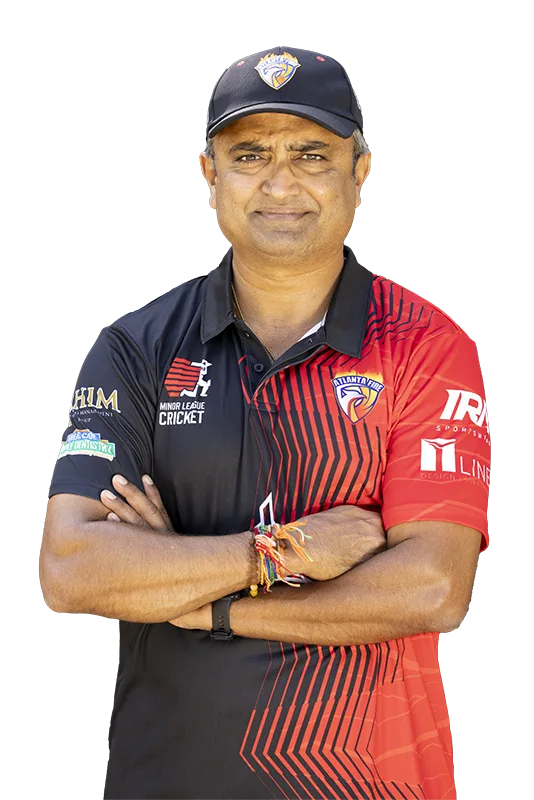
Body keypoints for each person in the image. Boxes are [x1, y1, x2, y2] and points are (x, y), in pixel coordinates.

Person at [40, 46, 491, 800]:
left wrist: (205, 605)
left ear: (360, 172)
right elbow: (72, 568)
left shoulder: (425, 345)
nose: (280, 183)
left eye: (312, 154)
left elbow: (432, 588)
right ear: (210, 176)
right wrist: (284, 551)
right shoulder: (137, 347)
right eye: (250, 155)